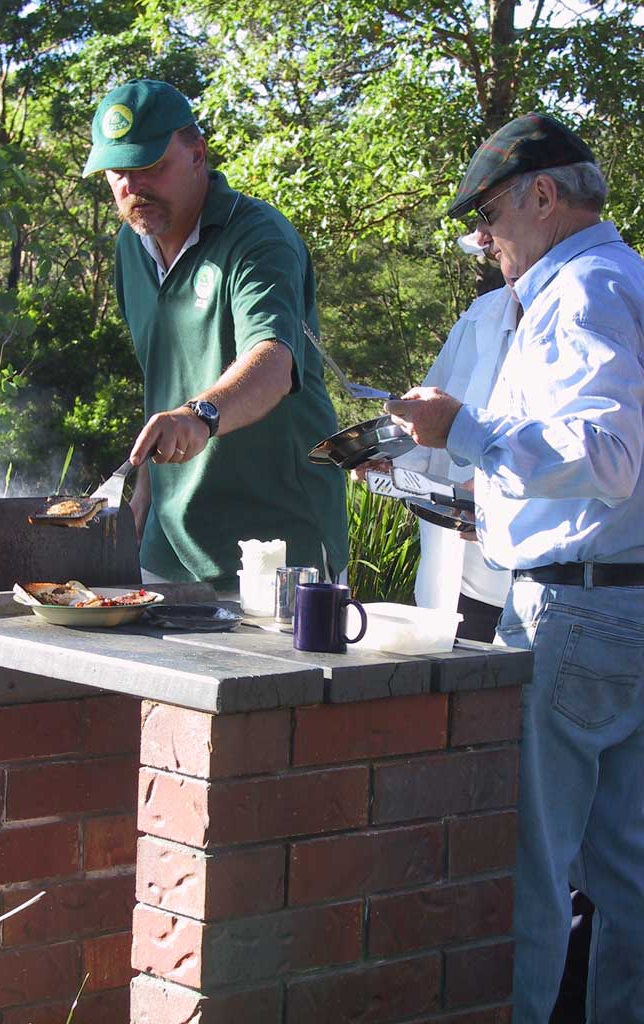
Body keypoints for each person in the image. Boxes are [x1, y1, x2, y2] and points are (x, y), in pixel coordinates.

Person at [383, 112, 644, 1023]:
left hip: (574, 609)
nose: (483, 240)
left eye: (488, 215)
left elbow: (606, 455)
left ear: (542, 196)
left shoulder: (578, 291)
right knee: (628, 880)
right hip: (622, 603)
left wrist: (463, 428)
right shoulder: (628, 277)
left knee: (530, 876)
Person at [82, 80, 348, 589]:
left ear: (198, 154)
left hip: (279, 544)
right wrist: (143, 495)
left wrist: (199, 415)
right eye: (118, 172)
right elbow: (164, 377)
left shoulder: (258, 237)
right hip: (168, 539)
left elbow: (273, 362)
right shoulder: (130, 247)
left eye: (151, 166)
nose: (133, 186)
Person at [393, 266, 519, 641]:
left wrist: (498, 490)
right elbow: (423, 419)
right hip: (453, 583)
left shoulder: (583, 309)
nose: (488, 243)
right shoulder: (478, 316)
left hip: (531, 588)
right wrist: (384, 459)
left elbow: (596, 453)